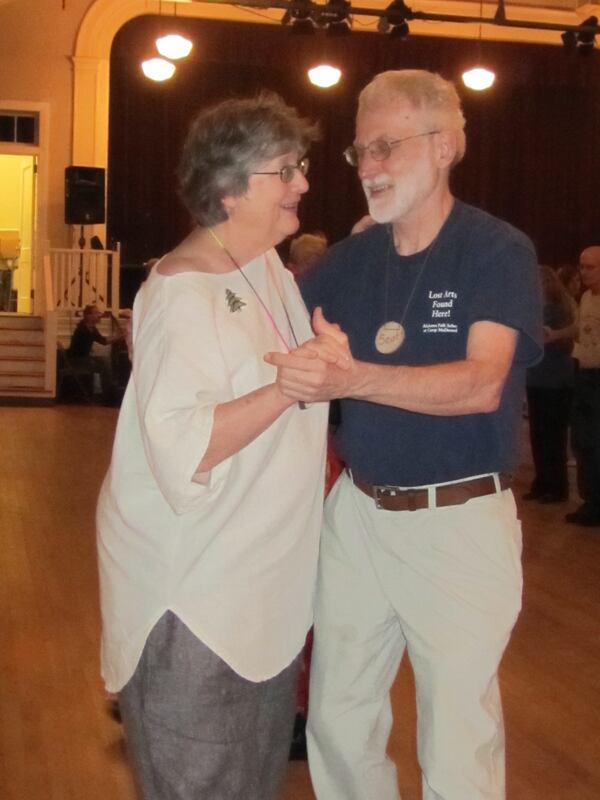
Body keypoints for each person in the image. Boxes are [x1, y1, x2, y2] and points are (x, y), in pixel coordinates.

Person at [266, 69, 542, 800]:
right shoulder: (351, 261)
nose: (371, 168)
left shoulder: (494, 250)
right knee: (337, 716)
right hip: (357, 514)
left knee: (456, 732)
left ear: (446, 145)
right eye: (361, 153)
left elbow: (483, 384)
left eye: (387, 146)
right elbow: (266, 331)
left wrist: (352, 378)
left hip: (458, 523)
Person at [96, 94, 339, 800]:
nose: (302, 182)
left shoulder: (264, 268)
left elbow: (284, 386)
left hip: (255, 593)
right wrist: (289, 386)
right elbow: (185, 448)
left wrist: (326, 364)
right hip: (194, 604)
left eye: (301, 165)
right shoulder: (182, 291)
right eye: (286, 169)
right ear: (231, 190)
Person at [523, 265, 575, 503]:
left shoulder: (556, 310)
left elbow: (554, 342)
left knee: (552, 436)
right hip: (538, 379)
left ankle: (556, 486)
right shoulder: (542, 309)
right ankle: (543, 482)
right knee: (539, 434)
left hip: (554, 380)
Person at [565, 246, 600, 527]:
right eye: (582, 266)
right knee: (583, 441)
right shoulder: (586, 297)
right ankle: (591, 501)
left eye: (591, 267)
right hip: (585, 375)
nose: (585, 272)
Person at [67, 303, 123, 402]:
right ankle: (108, 393)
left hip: (84, 359)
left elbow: (103, 341)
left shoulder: (91, 329)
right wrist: (120, 336)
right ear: (89, 316)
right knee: (103, 363)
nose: (99, 315)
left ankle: (109, 391)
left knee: (103, 361)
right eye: (96, 313)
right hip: (77, 361)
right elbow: (103, 342)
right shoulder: (83, 329)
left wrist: (118, 337)